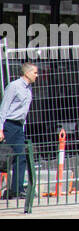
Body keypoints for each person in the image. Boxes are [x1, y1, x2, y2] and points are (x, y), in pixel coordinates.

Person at [0, 62, 37, 200]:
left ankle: (17, 189)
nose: (36, 75)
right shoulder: (14, 86)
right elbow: (4, 108)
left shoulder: (28, 88)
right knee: (3, 158)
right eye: (35, 73)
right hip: (8, 125)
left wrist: (22, 127)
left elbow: (23, 111)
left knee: (20, 157)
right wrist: (0, 128)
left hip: (19, 126)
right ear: (27, 73)